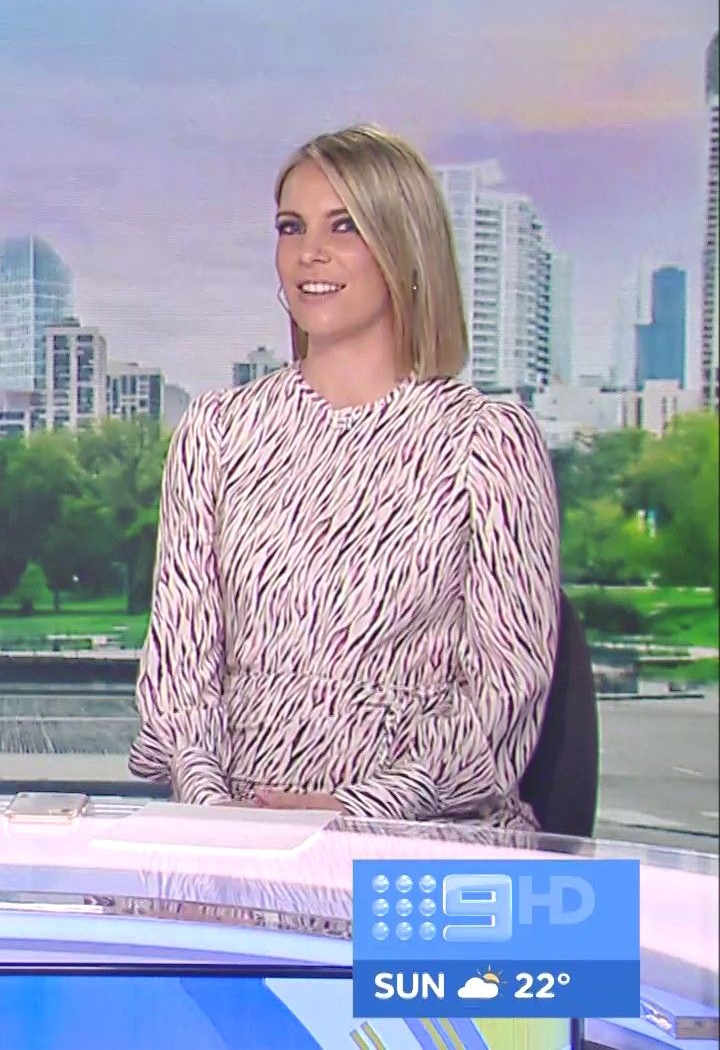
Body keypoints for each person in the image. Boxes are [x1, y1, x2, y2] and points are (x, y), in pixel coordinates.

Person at [128, 123, 560, 830]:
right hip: (240, 828)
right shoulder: (217, 431)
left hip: (418, 835)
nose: (310, 253)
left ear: (405, 247)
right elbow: (181, 671)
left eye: (345, 226)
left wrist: (357, 810)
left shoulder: (488, 441)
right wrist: (216, 814)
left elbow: (504, 688)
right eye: (291, 227)